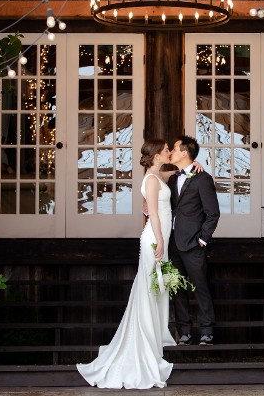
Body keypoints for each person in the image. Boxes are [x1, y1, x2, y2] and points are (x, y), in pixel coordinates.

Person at [77, 139, 176, 389]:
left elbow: (165, 176)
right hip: (155, 240)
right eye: (166, 150)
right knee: (149, 288)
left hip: (159, 239)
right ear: (155, 155)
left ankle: (153, 338)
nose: (169, 152)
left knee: (156, 289)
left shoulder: (155, 176)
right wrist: (160, 241)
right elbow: (152, 213)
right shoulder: (151, 180)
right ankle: (144, 344)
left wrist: (183, 169)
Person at [168, 135, 221, 346]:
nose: (170, 151)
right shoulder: (172, 179)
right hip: (172, 243)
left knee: (200, 287)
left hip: (193, 244)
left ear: (184, 152)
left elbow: (213, 213)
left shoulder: (203, 179)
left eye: (173, 148)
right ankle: (184, 332)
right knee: (177, 289)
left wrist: (203, 240)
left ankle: (207, 331)